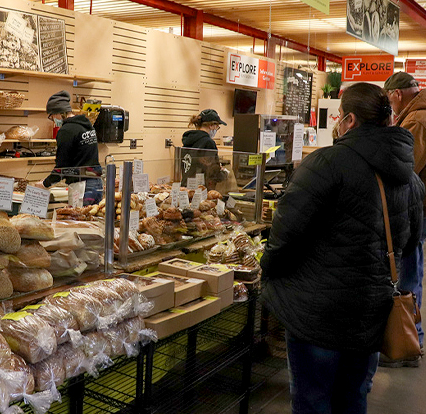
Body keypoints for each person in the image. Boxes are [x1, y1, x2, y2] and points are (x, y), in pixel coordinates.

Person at [261, 82, 424, 414]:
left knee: (312, 399)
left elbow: (284, 236)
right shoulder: (411, 178)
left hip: (318, 316)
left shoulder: (326, 164)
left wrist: (269, 273)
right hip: (372, 315)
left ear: (349, 120)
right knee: (354, 396)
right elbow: (411, 243)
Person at [384, 71, 426, 363]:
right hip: (417, 206)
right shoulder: (416, 115)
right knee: (411, 269)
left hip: (414, 208)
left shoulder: (417, 120)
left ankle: (409, 343)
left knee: (408, 272)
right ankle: (410, 340)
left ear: (397, 94)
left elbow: (404, 165)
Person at [34, 90, 103, 205]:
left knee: (79, 221)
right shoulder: (87, 126)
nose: (54, 121)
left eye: (52, 116)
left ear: (58, 113)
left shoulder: (66, 131)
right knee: (93, 221)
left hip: (82, 187)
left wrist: (45, 184)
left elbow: (62, 167)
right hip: (97, 185)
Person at [181, 109, 227, 190]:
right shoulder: (208, 142)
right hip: (201, 188)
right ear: (211, 125)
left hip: (186, 186)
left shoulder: (189, 139)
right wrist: (224, 173)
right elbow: (213, 172)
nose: (216, 129)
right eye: (217, 127)